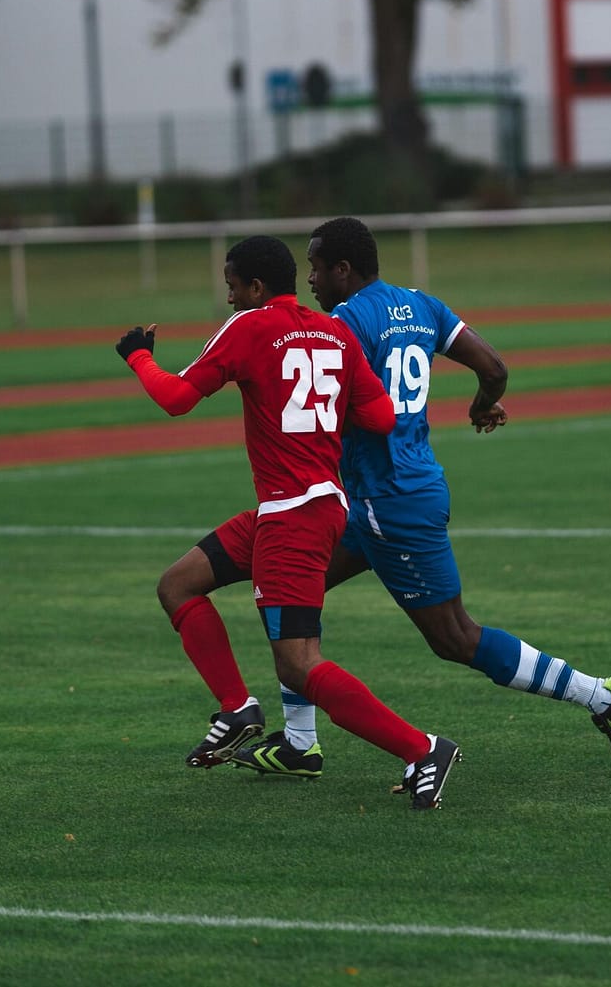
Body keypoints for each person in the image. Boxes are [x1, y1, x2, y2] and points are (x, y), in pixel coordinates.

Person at [167, 215, 611, 782]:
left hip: (388, 500)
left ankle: (604, 697)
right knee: (290, 600)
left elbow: (324, 403)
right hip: (364, 499)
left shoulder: (340, 324)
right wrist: (481, 405)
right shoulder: (422, 305)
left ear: (344, 269)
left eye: (317, 268)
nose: (311, 279)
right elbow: (494, 368)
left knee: (455, 638)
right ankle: (298, 742)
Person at [118, 235, 460, 810]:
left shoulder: (249, 327)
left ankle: (422, 748)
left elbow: (177, 398)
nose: (229, 298)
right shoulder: (336, 332)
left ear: (255, 287)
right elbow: (379, 416)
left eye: (231, 286)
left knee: (299, 666)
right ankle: (237, 709)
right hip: (311, 506)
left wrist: (138, 355)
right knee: (178, 584)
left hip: (291, 519)